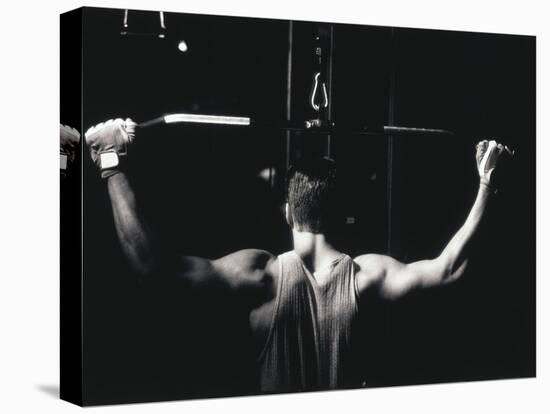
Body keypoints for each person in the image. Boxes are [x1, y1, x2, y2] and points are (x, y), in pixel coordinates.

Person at [84, 118, 507, 393]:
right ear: (343, 215)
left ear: (287, 211)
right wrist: (487, 185)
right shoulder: (365, 277)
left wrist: (111, 164)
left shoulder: (260, 275)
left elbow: (151, 267)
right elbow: (448, 270)